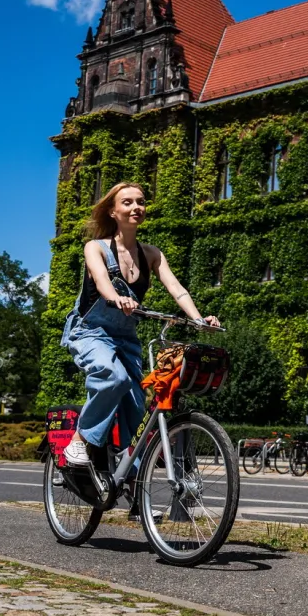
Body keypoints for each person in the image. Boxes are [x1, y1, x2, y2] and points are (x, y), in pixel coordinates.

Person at [60, 182, 219, 472]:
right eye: (128, 202)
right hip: (90, 332)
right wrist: (116, 298)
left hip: (125, 338)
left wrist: (198, 319)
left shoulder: (151, 254)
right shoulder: (95, 248)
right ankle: (79, 441)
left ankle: (135, 495)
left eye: (141, 202)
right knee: (112, 377)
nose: (137, 208)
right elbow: (101, 282)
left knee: (136, 410)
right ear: (113, 211)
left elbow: (177, 289)